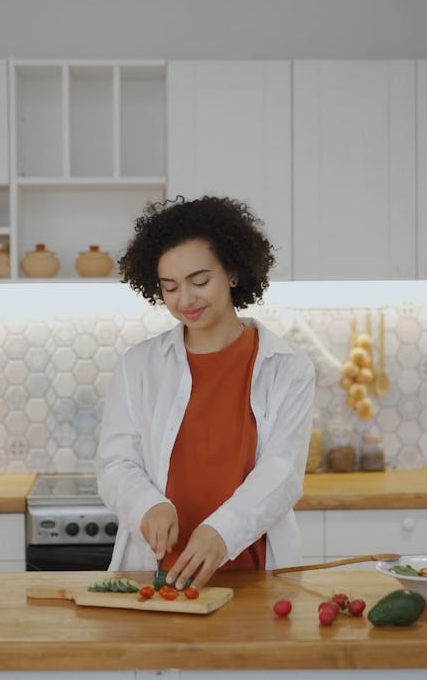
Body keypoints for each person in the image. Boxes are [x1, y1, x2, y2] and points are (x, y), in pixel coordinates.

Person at [96, 196, 315, 591]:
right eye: (170, 287)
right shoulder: (138, 365)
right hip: (155, 576)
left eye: (199, 282)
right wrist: (148, 505)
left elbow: (282, 472)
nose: (185, 299)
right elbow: (115, 462)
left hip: (252, 572)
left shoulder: (288, 366)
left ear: (232, 272)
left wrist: (222, 531)